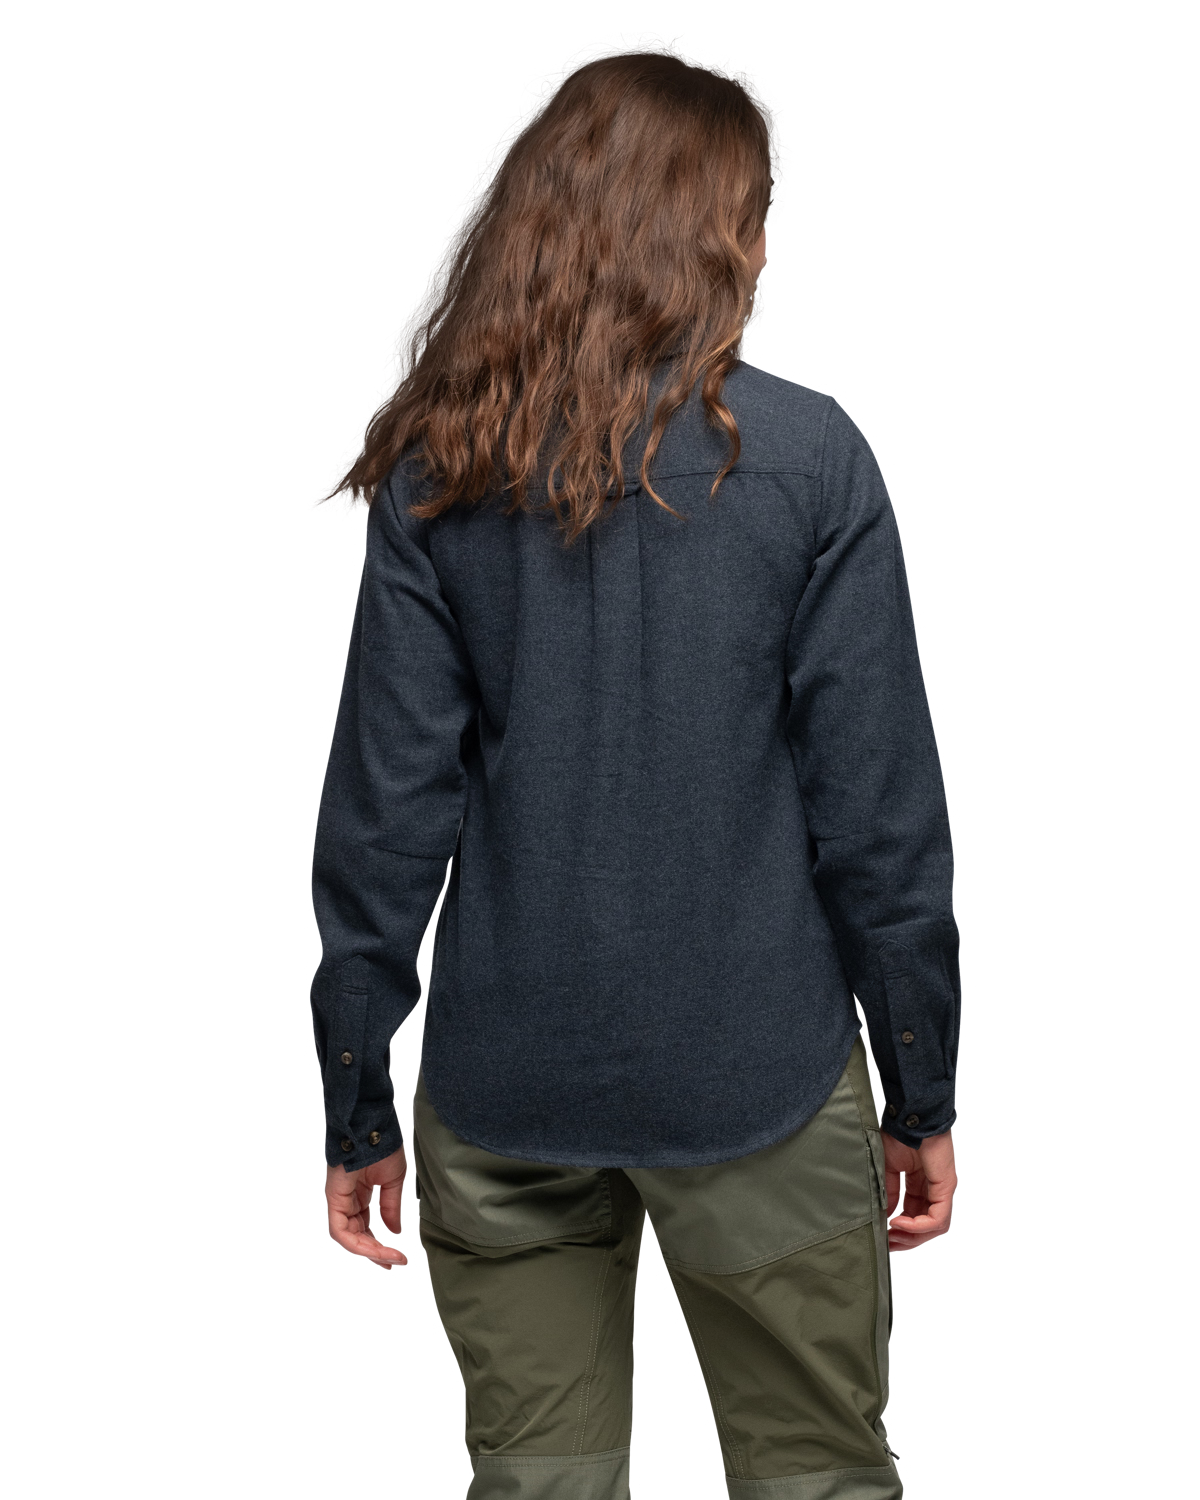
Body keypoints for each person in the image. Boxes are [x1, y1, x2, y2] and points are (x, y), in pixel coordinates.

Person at [310, 35, 960, 1500]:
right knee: (815, 1477)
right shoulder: (809, 459)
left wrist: (355, 1096)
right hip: (760, 1074)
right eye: (754, 216)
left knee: (538, 1478)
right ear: (710, 232)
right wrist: (921, 1087)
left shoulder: (440, 469)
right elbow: (876, 817)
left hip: (506, 1080)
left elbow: (384, 817)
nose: (762, 249)